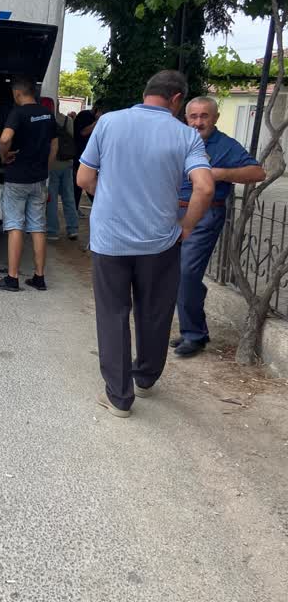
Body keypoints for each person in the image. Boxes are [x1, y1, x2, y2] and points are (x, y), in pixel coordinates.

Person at [77, 70, 215, 418]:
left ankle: (119, 398)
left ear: (145, 92)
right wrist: (186, 227)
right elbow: (205, 188)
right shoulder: (186, 136)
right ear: (177, 99)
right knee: (154, 312)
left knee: (112, 313)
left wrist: (108, 197)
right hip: (160, 242)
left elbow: (84, 177)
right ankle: (146, 379)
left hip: (110, 239)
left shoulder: (108, 122)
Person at [174, 96, 266, 358]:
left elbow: (258, 173)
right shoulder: (180, 139)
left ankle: (194, 335)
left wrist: (220, 173)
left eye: (204, 116)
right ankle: (194, 329)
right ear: (186, 117)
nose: (198, 122)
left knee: (187, 272)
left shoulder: (225, 145)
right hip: (172, 211)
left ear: (214, 118)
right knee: (178, 273)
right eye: (193, 116)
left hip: (206, 212)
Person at [0, 78, 58, 292]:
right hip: (39, 178)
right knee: (38, 227)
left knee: (15, 226)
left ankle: (12, 278)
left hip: (17, 178)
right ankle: (39, 278)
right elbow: (54, 144)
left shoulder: (18, 113)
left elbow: (4, 138)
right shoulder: (47, 114)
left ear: (18, 94)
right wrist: (45, 168)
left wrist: (4, 155)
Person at [46, 102, 79, 241]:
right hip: (67, 163)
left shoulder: (48, 120)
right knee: (69, 197)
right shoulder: (68, 120)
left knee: (52, 199)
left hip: (52, 164)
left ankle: (52, 231)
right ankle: (72, 229)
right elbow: (71, 137)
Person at [73, 100, 106, 212]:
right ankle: (75, 209)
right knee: (79, 184)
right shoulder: (84, 116)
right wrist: (97, 123)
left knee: (90, 183)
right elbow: (83, 132)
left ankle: (96, 207)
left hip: (91, 155)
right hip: (80, 155)